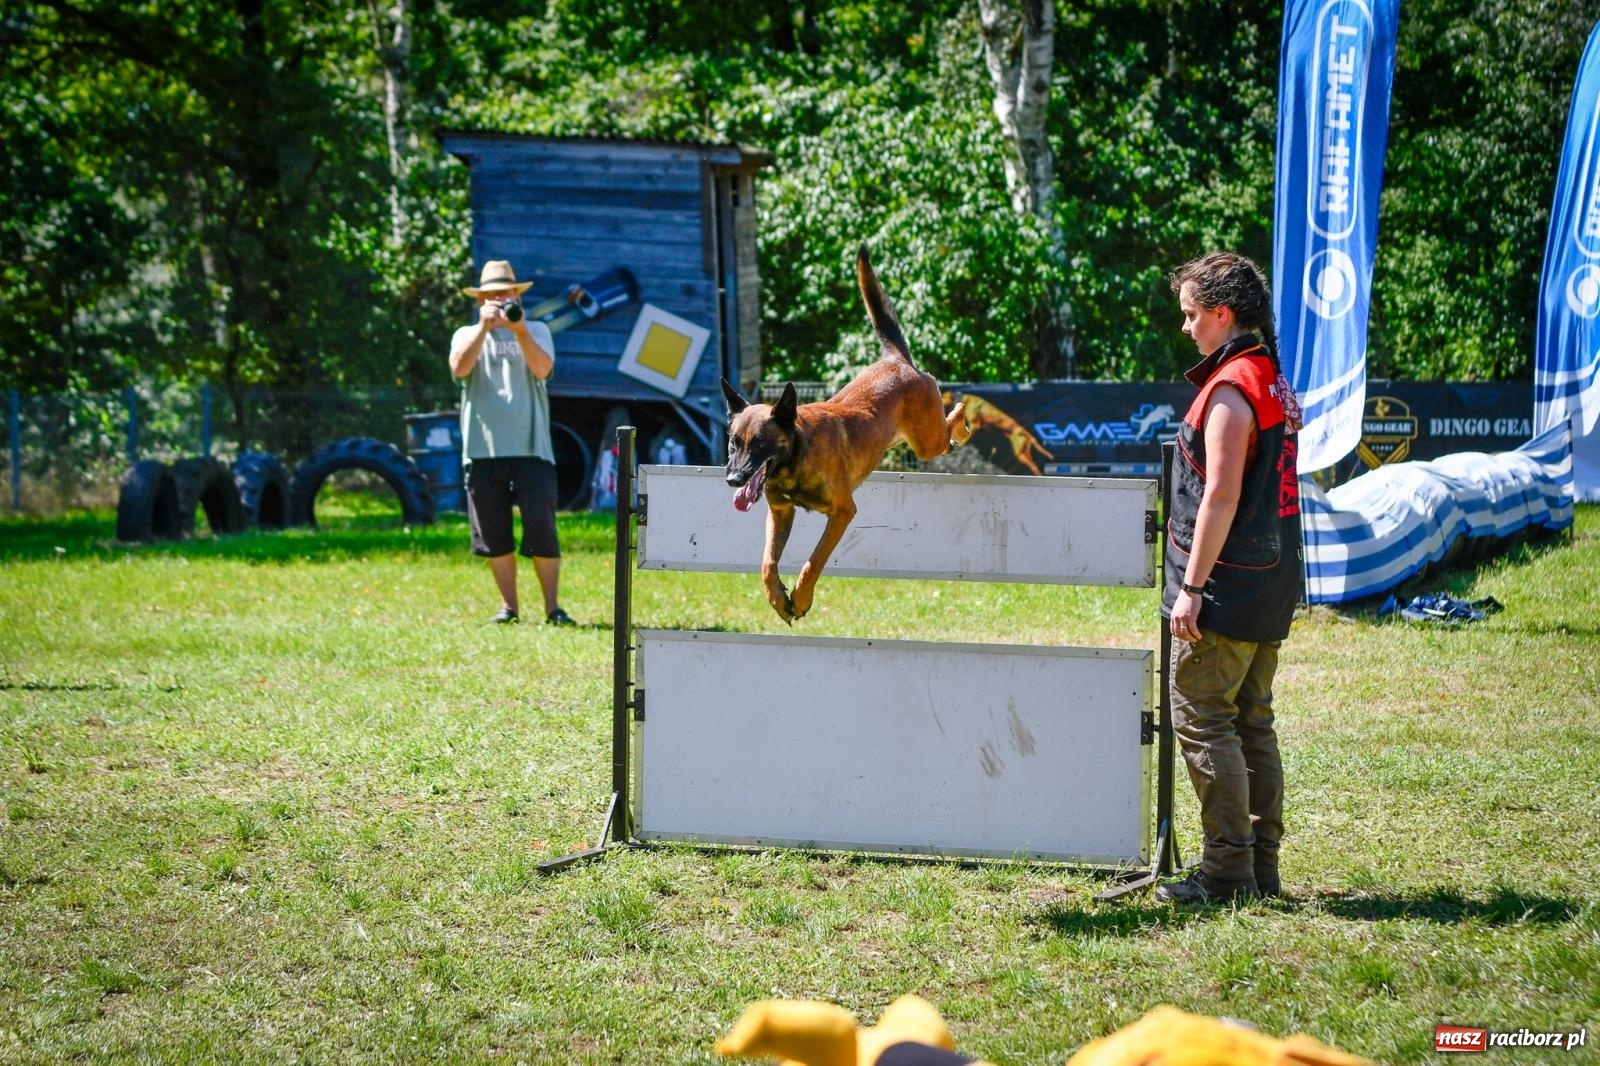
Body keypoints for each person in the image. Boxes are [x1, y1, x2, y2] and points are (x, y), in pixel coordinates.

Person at [1157, 252, 1303, 903]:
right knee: (1252, 722)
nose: (1187, 328)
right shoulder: (1270, 377)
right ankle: (1260, 869)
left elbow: (1218, 496)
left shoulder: (1232, 390)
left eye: (1192, 316)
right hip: (1269, 585)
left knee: (1204, 719)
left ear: (1222, 314)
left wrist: (1190, 589)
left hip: (1225, 592)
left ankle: (1227, 874)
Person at [449, 259, 575, 626]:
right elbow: (459, 367)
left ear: (517, 295)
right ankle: (509, 608)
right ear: (480, 301)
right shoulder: (465, 333)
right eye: (492, 296)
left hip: (532, 450)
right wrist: (485, 327)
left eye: (506, 293)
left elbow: (541, 369)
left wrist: (518, 330)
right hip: (482, 451)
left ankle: (553, 608)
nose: (500, 300)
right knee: (493, 534)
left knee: (542, 530)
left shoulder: (535, 330)